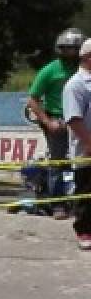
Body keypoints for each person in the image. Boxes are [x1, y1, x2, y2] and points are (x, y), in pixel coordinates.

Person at [28, 28, 85, 220]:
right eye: (66, 49)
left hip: (82, 120)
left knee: (84, 163)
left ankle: (82, 203)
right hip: (58, 120)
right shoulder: (50, 70)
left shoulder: (85, 69)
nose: (70, 53)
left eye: (74, 49)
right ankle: (58, 204)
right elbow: (33, 99)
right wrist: (47, 121)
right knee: (58, 162)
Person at [61, 39, 91, 250]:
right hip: (86, 148)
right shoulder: (75, 85)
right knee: (86, 190)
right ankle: (84, 231)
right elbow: (74, 119)